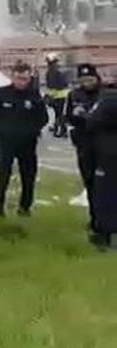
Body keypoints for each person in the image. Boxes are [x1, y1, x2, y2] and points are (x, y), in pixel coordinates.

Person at [0, 62, 49, 217]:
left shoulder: (34, 95)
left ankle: (25, 207)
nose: (22, 82)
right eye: (19, 78)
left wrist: (33, 130)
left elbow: (43, 117)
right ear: (12, 77)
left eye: (25, 79)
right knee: (3, 174)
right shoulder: (1, 94)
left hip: (27, 143)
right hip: (6, 142)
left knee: (28, 176)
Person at [66, 63, 103, 235]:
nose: (87, 82)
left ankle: (108, 220)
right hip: (84, 144)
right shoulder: (74, 95)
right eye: (84, 79)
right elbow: (69, 117)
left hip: (105, 145)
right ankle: (95, 219)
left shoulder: (107, 94)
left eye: (90, 79)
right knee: (90, 183)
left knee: (107, 184)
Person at [84, 79, 117, 249]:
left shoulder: (107, 98)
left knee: (104, 193)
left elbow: (92, 121)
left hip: (107, 151)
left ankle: (104, 234)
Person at [45, 53, 70, 138]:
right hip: (58, 96)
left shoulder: (53, 72)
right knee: (58, 114)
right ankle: (58, 128)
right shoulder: (54, 72)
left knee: (59, 114)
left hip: (58, 96)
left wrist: (49, 95)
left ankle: (62, 130)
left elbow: (56, 85)